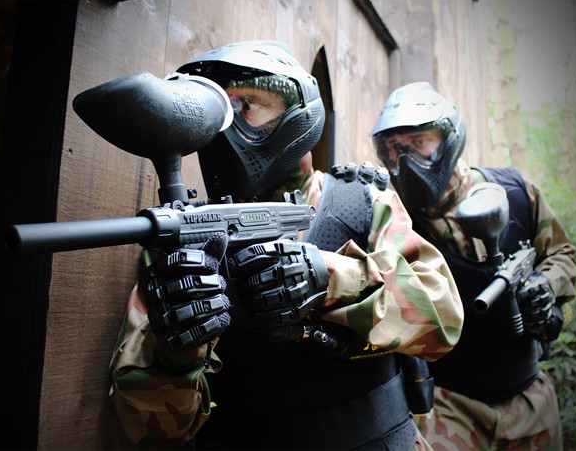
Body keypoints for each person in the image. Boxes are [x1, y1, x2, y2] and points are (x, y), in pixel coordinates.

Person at [109, 42, 464, 450]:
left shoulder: (362, 201)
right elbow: (154, 432)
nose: (228, 128)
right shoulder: (185, 243)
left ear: (297, 114)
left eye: (248, 105)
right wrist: (177, 355)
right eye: (217, 111)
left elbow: (444, 321)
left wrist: (328, 277)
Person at [370, 81, 576, 450]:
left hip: (529, 396)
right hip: (448, 406)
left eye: (420, 143)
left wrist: (544, 285)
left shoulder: (515, 193)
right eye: (396, 149)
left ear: (448, 140)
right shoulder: (390, 217)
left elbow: (561, 253)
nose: (407, 161)